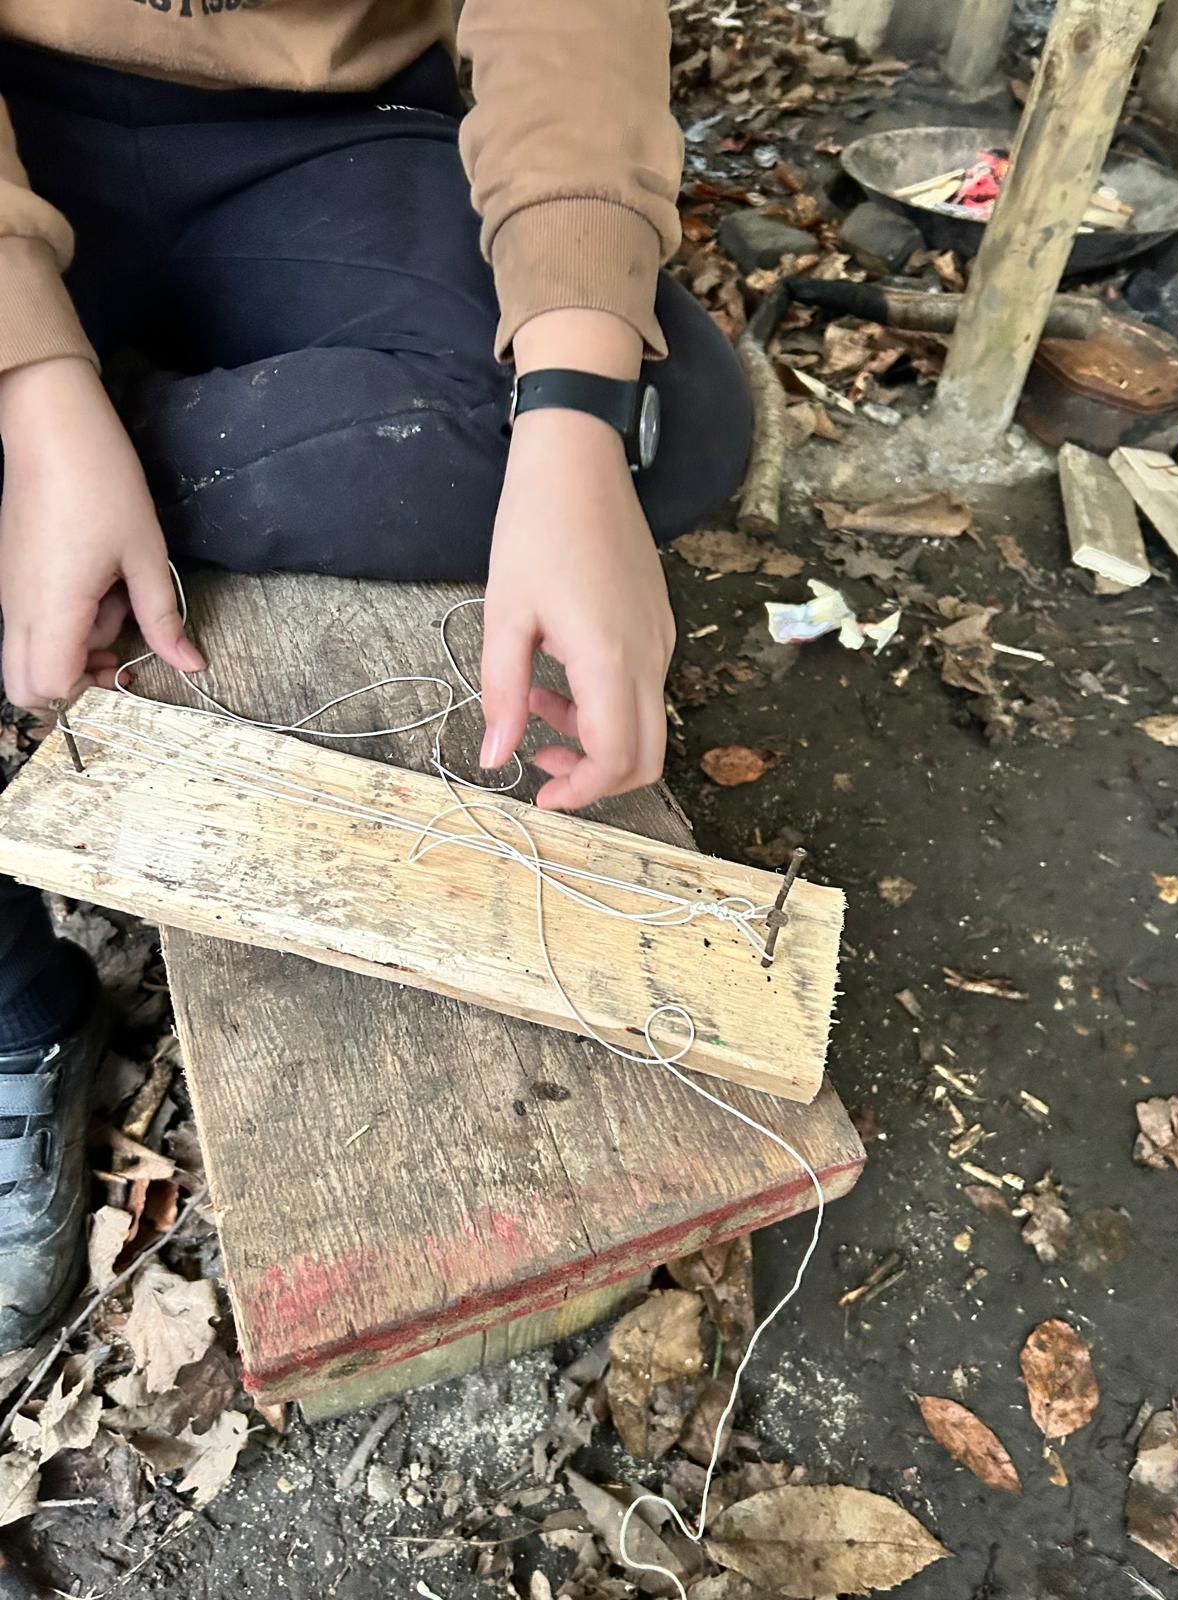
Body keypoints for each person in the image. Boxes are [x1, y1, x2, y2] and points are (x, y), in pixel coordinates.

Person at [0, 3, 752, 1349]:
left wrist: (571, 418)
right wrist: (33, 384)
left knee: (671, 417)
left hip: (338, 133)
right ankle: (16, 1024)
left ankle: (128, 431)